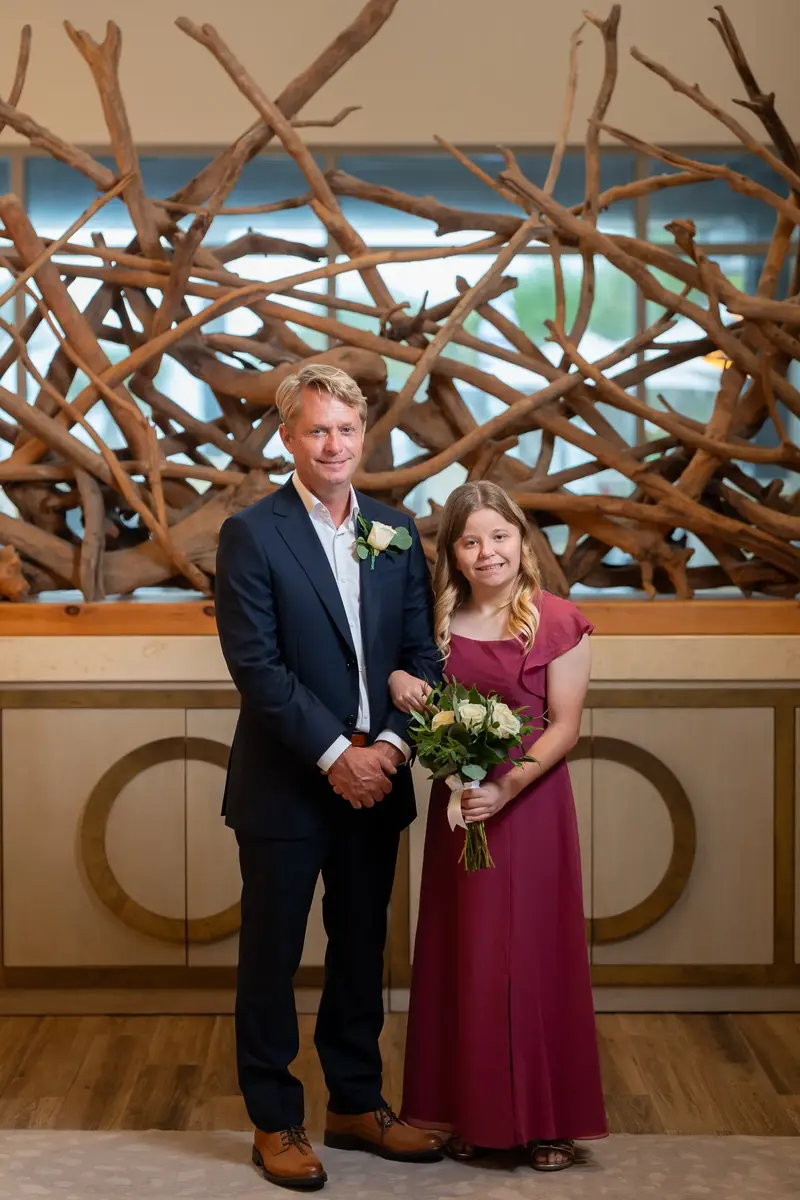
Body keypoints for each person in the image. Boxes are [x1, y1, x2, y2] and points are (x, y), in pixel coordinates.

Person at [215, 363, 442, 1191]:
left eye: (347, 429)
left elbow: (422, 658)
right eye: (317, 430)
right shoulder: (253, 531)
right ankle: (275, 1120)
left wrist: (386, 749)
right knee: (271, 956)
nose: (334, 444)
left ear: (364, 435)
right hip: (285, 780)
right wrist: (334, 755)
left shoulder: (397, 530)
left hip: (378, 776)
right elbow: (258, 667)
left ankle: (355, 1101)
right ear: (288, 438)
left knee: (361, 947)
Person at [392, 480, 608, 1172]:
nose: (488, 552)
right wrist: (401, 681)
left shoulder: (557, 620)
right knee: (469, 956)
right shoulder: (434, 627)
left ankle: (547, 1122)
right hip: (462, 809)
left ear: (521, 540)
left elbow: (565, 724)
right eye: (471, 540)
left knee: (536, 956)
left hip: (532, 805)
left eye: (500, 536)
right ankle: (467, 1110)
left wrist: (507, 787)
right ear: (453, 554)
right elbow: (412, 698)